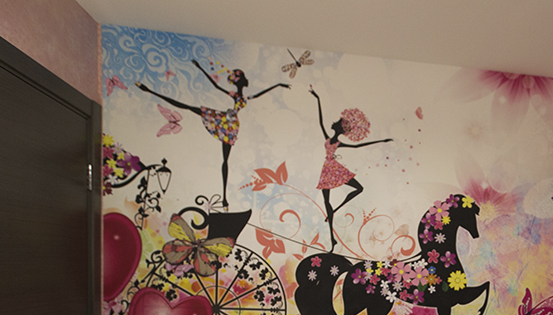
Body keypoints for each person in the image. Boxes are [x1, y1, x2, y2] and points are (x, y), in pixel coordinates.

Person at [137, 60, 289, 208]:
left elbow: (260, 93)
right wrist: (200, 68)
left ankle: (224, 198)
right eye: (236, 76)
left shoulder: (243, 97)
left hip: (230, 125)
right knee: (191, 108)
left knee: (225, 159)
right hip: (225, 120)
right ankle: (150, 91)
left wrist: (278, 85)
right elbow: (215, 86)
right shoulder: (236, 95)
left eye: (237, 76)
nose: (235, 79)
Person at [309, 87, 392, 250]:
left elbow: (357, 146)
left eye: (337, 123)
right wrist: (317, 98)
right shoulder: (328, 139)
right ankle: (332, 238)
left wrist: (381, 141)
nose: (334, 122)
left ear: (339, 128)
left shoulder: (337, 142)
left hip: (333, 169)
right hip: (328, 169)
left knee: (358, 188)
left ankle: (336, 209)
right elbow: (320, 122)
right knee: (326, 202)